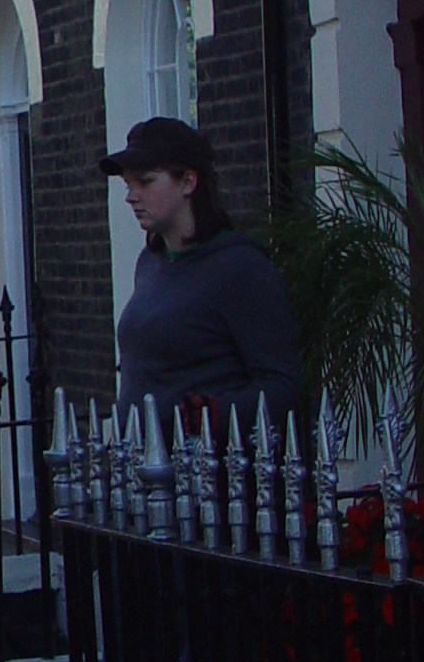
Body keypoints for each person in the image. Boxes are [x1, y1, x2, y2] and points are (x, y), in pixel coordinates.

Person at [105, 116, 299, 437]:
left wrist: (214, 414)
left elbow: (283, 387)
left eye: (146, 181)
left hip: (207, 472)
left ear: (188, 182)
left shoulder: (240, 267)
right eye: (128, 185)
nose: (131, 196)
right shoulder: (149, 264)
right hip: (144, 473)